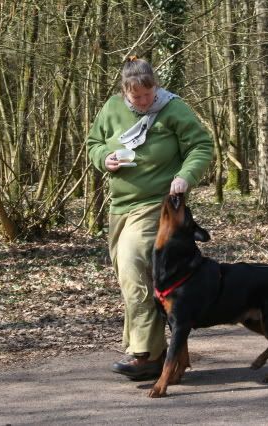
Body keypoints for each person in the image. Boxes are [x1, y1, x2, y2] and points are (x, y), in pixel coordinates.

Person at [86, 56, 213, 380]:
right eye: (135, 97)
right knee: (131, 277)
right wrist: (105, 158)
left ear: (155, 86)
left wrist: (186, 175)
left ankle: (146, 354)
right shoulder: (112, 108)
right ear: (124, 93)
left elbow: (200, 146)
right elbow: (94, 144)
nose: (143, 102)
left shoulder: (173, 109)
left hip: (157, 205)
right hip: (120, 206)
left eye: (148, 95)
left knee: (132, 266)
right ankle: (150, 350)